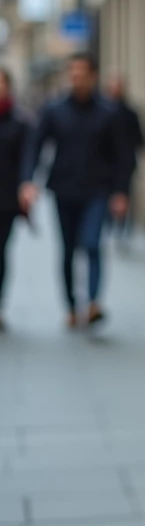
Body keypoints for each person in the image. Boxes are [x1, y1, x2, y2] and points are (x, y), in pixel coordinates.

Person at [21, 53, 130, 328]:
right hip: (64, 189)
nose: (76, 78)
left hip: (98, 190)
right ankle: (71, 306)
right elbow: (36, 145)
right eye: (72, 73)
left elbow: (122, 155)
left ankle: (93, 303)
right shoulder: (54, 109)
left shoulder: (109, 112)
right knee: (68, 249)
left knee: (92, 244)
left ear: (93, 76)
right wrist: (29, 180)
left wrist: (120, 192)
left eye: (81, 73)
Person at [0, 67, 30, 332]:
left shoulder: (19, 123)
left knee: (0, 252)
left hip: (6, 200)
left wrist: (26, 186)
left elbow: (26, 160)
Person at [105, 75, 145, 250]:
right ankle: (111, 224)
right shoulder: (103, 111)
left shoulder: (130, 113)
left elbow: (139, 137)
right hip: (106, 164)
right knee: (108, 195)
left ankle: (122, 229)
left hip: (126, 162)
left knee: (125, 196)